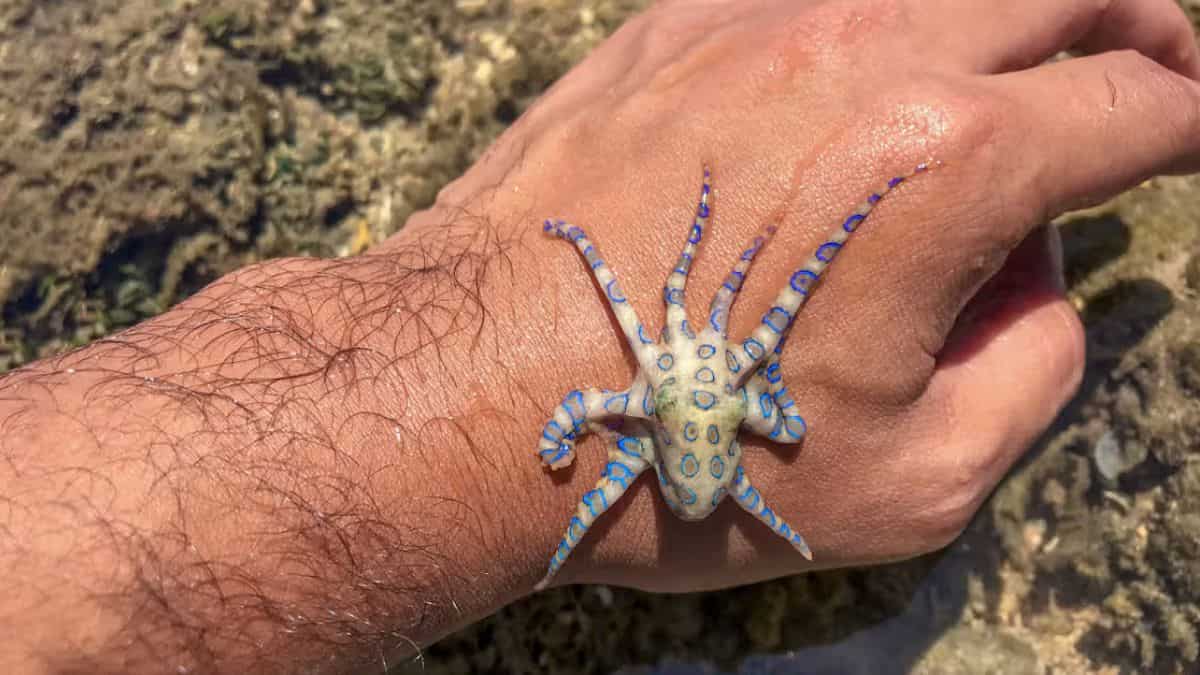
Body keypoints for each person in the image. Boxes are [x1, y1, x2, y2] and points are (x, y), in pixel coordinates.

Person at [2, 0, 1198, 672]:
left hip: (701, 447)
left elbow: (639, 360)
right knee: (746, 308)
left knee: (702, 316)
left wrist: (569, 384)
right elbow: (742, 341)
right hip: (710, 451)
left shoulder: (672, 375)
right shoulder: (719, 375)